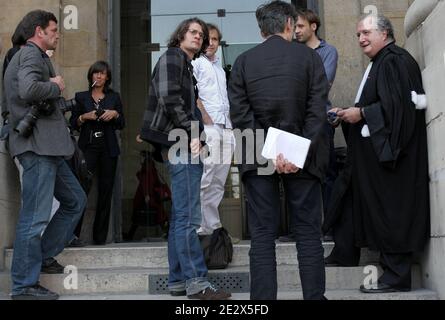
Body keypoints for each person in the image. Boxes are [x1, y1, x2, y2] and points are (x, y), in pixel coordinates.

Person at [228, 1, 329, 300]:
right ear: (288, 24)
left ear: (261, 30)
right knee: (309, 232)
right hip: (305, 160)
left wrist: (270, 153)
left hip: (257, 159)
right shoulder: (311, 59)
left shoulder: (243, 62)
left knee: (262, 235)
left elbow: (241, 116)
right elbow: (316, 112)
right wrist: (296, 153)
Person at [323, 14, 430, 293]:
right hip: (370, 157)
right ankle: (344, 251)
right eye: (358, 34)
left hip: (391, 160)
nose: (361, 39)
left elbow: (399, 110)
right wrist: (350, 113)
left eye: (366, 33)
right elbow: (383, 103)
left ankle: (395, 277)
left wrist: (362, 113)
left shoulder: (394, 60)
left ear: (385, 34)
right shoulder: (380, 62)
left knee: (390, 212)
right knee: (346, 198)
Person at [140, 17, 231, 300]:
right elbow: (170, 99)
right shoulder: (173, 57)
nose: (198, 37)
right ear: (180, 35)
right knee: (189, 217)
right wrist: (193, 132)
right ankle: (197, 282)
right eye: (192, 32)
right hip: (180, 143)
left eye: (201, 35)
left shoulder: (186, 64)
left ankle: (178, 281)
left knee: (182, 216)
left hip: (179, 142)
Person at [4, 10, 87, 300]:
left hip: (48, 148)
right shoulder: (29, 55)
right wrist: (55, 85)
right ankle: (23, 285)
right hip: (37, 148)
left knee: (75, 200)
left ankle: (41, 256)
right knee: (35, 218)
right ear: (39, 31)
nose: (57, 34)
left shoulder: (35, 56)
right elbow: (28, 89)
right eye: (53, 29)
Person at [279, 9, 339, 243]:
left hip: (319, 122)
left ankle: (328, 227)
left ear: (313, 27)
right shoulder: (292, 52)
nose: (296, 31)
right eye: (294, 27)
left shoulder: (327, 51)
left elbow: (321, 84)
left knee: (325, 175)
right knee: (293, 175)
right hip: (294, 122)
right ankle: (297, 229)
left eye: (300, 26)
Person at [70, 61, 125, 245]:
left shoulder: (114, 97)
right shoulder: (81, 97)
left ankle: (100, 238)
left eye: (102, 74)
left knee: (106, 192)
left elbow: (122, 123)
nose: (99, 76)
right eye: (96, 73)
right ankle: (73, 235)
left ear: (107, 77)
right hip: (88, 148)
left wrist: (115, 114)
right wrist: (83, 117)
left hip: (108, 149)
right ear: (91, 76)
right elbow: (72, 124)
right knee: (81, 190)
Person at [191, 23, 235, 239]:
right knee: (205, 178)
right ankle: (198, 227)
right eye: (207, 39)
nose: (211, 43)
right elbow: (193, 93)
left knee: (218, 182)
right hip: (209, 128)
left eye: (215, 39)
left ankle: (212, 227)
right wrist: (204, 117)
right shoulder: (196, 63)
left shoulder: (219, 68)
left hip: (226, 127)